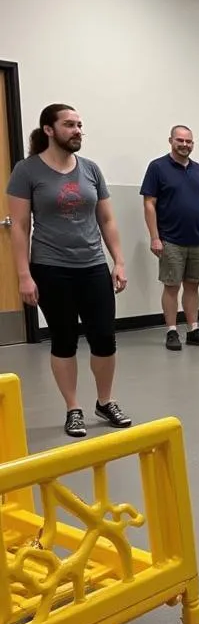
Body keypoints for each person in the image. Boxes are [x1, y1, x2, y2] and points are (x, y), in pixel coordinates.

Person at [6, 103, 132, 438]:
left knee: (104, 337)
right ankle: (73, 408)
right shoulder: (27, 170)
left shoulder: (90, 169)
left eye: (79, 125)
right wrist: (23, 275)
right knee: (64, 340)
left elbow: (106, 218)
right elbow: (18, 225)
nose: (77, 131)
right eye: (69, 125)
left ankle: (105, 401)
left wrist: (117, 260)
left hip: (92, 265)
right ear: (49, 129)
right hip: (50, 267)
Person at [140, 125, 199, 351]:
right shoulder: (157, 167)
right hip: (170, 239)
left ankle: (193, 330)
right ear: (171, 141)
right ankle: (172, 331)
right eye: (180, 140)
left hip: (197, 239)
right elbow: (149, 204)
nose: (185, 145)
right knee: (171, 286)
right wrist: (155, 237)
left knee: (193, 286)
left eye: (189, 141)